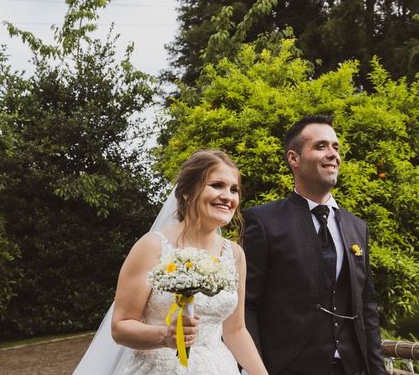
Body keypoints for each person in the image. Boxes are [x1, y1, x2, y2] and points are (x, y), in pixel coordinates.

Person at [242, 114, 385, 375]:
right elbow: (247, 305)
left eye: (335, 147)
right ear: (293, 158)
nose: (333, 154)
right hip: (287, 368)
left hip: (353, 369)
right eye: (321, 146)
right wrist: (255, 369)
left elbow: (367, 307)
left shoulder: (357, 227)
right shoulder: (263, 221)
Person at [108, 149, 268, 374]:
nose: (228, 196)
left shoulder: (234, 254)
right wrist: (165, 336)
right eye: (216, 185)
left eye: (234, 190)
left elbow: (236, 330)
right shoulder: (152, 246)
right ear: (187, 192)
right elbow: (120, 327)